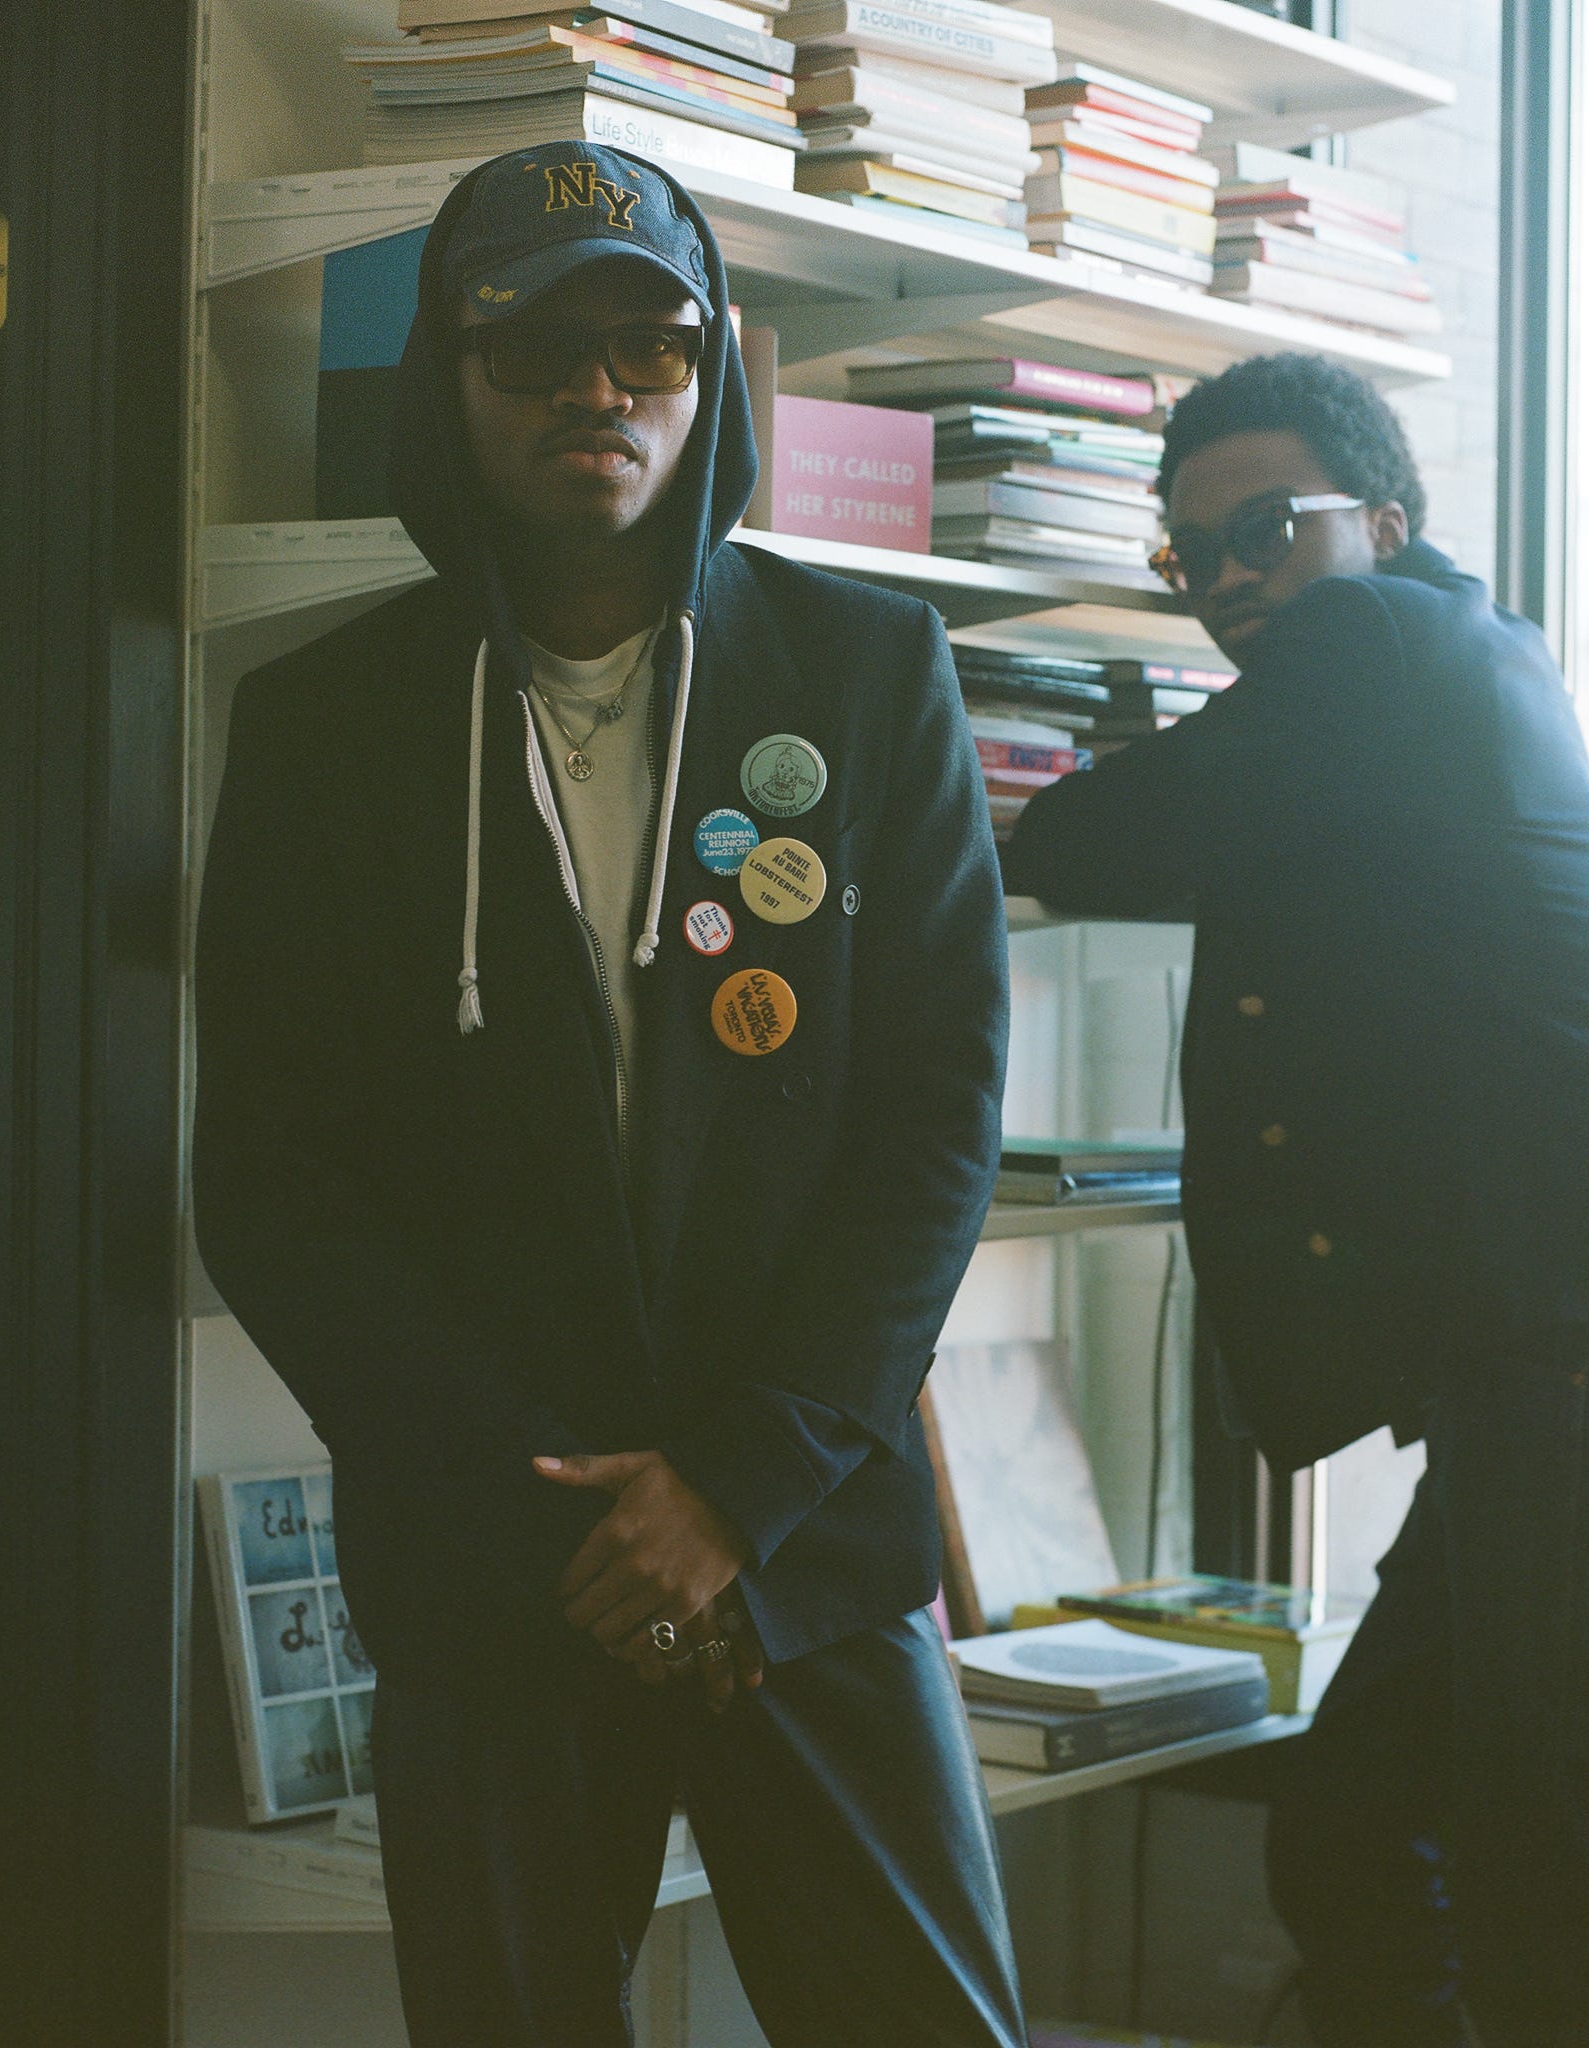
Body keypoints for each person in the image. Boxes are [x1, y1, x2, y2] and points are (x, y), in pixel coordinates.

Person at [194, 142, 1024, 2048]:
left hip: (808, 1543)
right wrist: (565, 1523)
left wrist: (732, 1488)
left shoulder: (867, 671)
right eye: (533, 346)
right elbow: (273, 1181)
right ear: (450, 378)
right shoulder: (323, 726)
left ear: (707, 370)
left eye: (649, 346)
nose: (598, 389)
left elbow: (934, 1125)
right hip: (500, 1568)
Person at [1001, 353, 1589, 2048]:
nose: (1227, 578)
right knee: (1353, 1829)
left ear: (1387, 524)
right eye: (1190, 554)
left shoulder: (1380, 643)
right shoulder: (1434, 676)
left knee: (1552, 1888)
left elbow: (1100, 836)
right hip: (1561, 1336)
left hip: (1580, 1332)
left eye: (1266, 527)